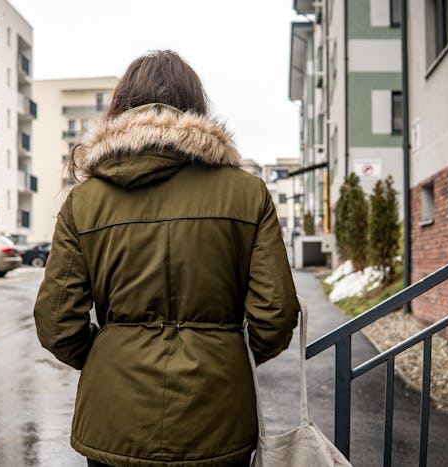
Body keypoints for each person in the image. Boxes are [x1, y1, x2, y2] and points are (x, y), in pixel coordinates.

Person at [34, 50, 300, 467]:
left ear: (120, 107)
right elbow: (277, 315)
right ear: (197, 109)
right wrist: (226, 354)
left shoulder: (84, 202)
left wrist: (112, 353)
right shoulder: (247, 193)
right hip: (217, 417)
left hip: (114, 420)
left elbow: (55, 322)